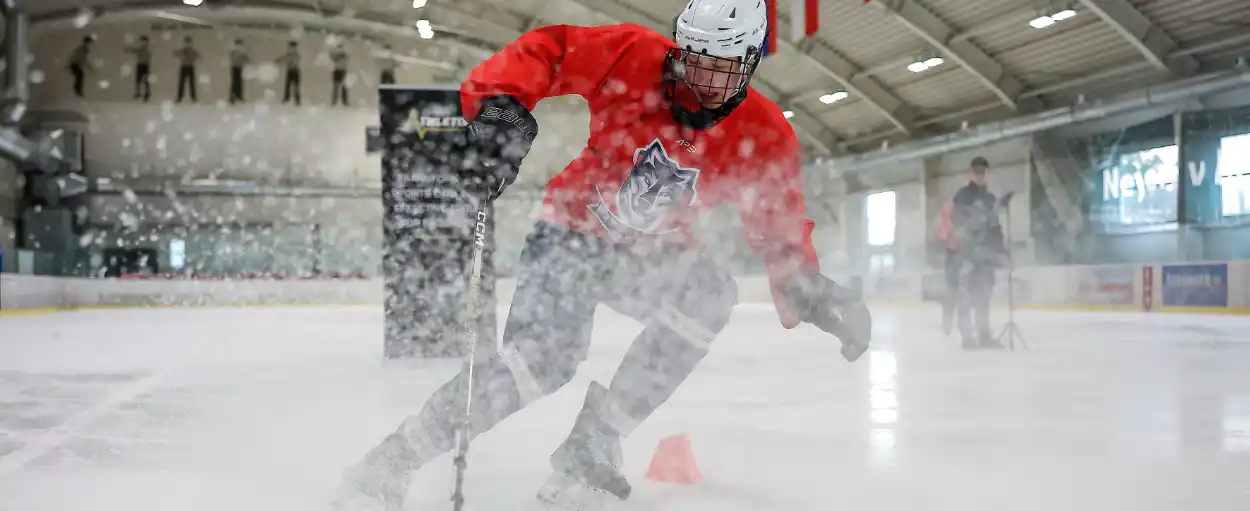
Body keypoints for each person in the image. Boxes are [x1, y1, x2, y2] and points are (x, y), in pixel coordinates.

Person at [331, 1, 873, 510]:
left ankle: (594, 440)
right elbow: (550, 49)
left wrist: (803, 284)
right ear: (680, 47)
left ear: (751, 62)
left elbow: (776, 220)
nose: (701, 82)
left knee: (710, 293)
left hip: (653, 255)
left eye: (722, 70)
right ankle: (394, 458)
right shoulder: (634, 55)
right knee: (539, 362)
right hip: (571, 233)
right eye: (693, 62)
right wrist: (502, 109)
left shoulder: (764, 132)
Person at [948, 157, 1006, 350]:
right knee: (966, 297)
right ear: (971, 172)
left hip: (987, 255)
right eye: (977, 170)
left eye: (983, 171)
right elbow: (957, 223)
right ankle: (967, 337)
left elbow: (996, 227)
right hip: (967, 255)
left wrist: (1001, 249)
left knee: (984, 296)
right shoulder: (962, 196)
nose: (980, 174)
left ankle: (984, 335)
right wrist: (967, 244)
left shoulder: (991, 199)